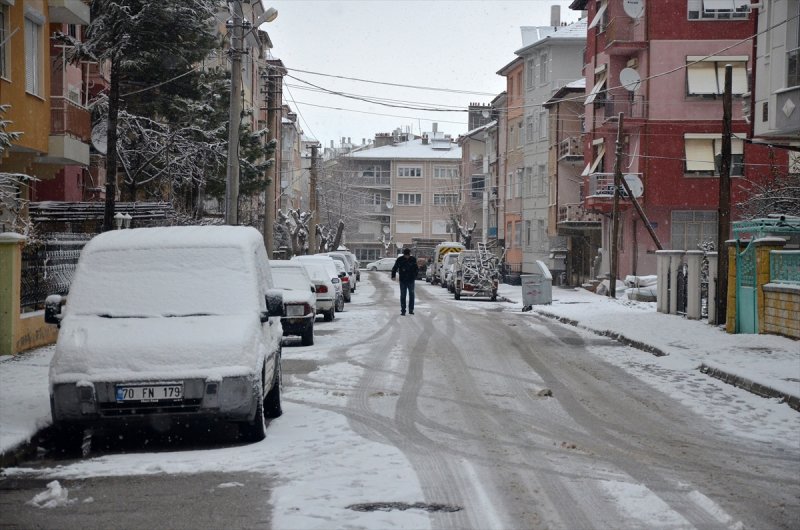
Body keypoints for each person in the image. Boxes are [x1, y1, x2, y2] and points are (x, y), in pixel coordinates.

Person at [391, 247, 418, 315]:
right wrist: (393, 275)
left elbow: (416, 268)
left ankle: (411, 310)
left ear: (409, 254)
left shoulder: (413, 259)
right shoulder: (400, 259)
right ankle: (403, 310)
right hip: (403, 280)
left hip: (411, 280)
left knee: (411, 295)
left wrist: (415, 275)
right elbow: (395, 267)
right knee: (403, 295)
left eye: (408, 255)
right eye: (406, 255)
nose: (407, 256)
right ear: (404, 254)